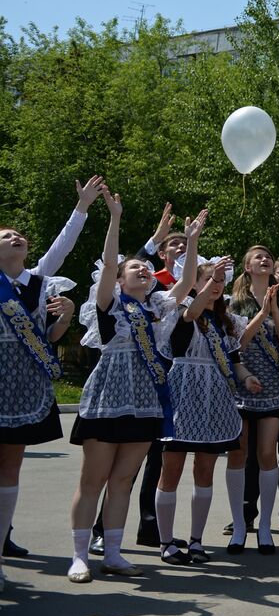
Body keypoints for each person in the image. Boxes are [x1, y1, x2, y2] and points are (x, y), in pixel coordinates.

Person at [68, 189, 196, 583]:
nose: (143, 270)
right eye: (134, 268)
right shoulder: (109, 304)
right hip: (108, 399)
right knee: (93, 480)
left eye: (146, 267)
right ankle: (78, 556)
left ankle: (113, 552)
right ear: (121, 279)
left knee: (123, 480)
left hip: (145, 402)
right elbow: (109, 264)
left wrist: (191, 242)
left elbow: (188, 279)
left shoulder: (155, 307)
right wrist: (115, 218)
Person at [0, 175, 101, 591]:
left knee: (11, 464)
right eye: (7, 235)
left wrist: (81, 209)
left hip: (24, 387)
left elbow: (53, 337)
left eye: (19, 234)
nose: (16, 236)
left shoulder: (41, 283)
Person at [154, 255, 260, 566]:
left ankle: (197, 540)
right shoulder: (183, 313)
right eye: (209, 280)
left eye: (220, 281)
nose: (216, 285)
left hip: (214, 397)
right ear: (196, 284)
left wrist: (248, 378)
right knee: (170, 470)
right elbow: (193, 311)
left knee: (205, 470)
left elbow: (234, 361)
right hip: (182, 394)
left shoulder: (225, 322)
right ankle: (166, 542)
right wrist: (206, 273)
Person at [227, 245, 279, 555]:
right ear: (247, 267)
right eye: (258, 257)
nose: (265, 259)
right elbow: (237, 341)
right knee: (238, 454)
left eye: (268, 256)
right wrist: (262, 313)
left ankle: (266, 526)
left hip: (272, 386)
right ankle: (240, 525)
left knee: (268, 453)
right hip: (241, 384)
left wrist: (275, 310)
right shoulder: (233, 303)